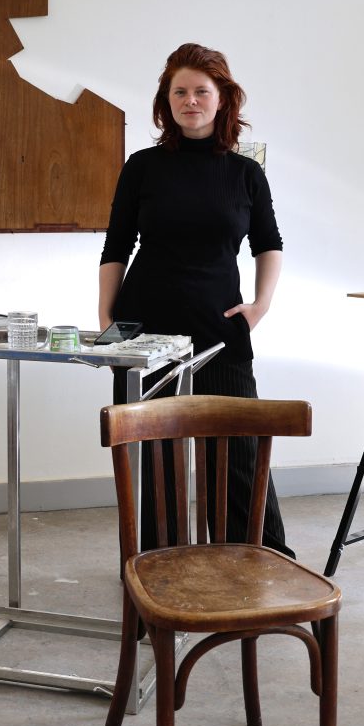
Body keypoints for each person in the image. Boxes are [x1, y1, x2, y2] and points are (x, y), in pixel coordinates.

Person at [98, 42, 293, 558]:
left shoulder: (246, 173)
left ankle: (256, 560)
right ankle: (155, 570)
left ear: (223, 99)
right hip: (145, 330)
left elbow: (268, 245)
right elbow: (116, 246)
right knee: (155, 458)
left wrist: (261, 305)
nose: (190, 101)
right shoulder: (142, 167)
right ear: (166, 101)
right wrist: (107, 317)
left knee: (238, 451)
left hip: (220, 329)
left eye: (201, 91)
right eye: (179, 91)